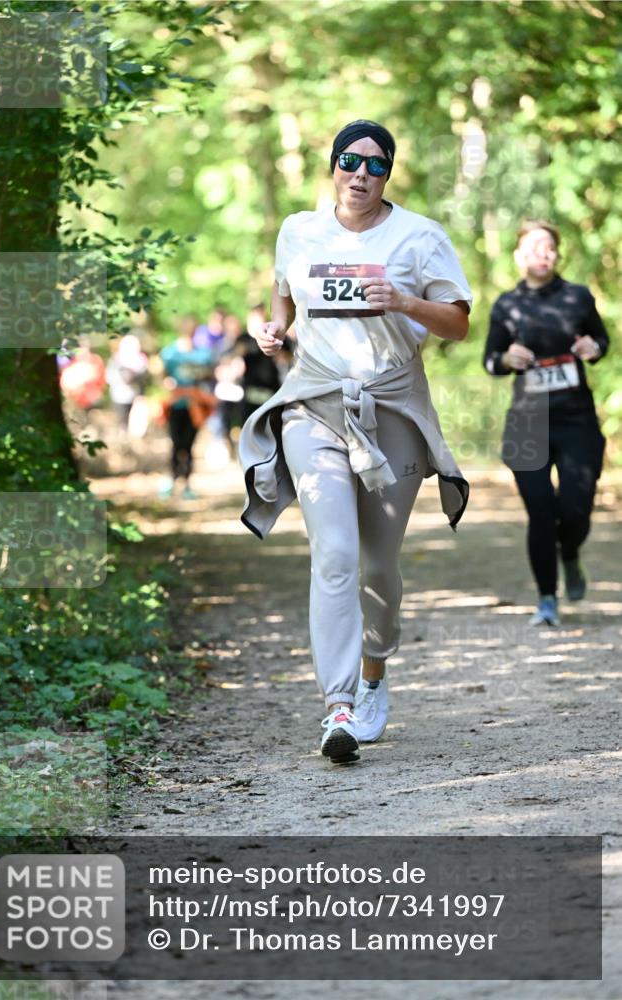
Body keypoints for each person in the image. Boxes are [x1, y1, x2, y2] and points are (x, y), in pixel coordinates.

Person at [238, 120, 472, 763]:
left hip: (390, 407)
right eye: (349, 161)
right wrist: (274, 329)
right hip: (313, 404)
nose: (360, 175)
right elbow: (284, 294)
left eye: (375, 166)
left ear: (388, 174)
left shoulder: (419, 236)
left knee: (377, 568)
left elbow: (457, 323)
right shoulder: (299, 230)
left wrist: (400, 299)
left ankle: (374, 671)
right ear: (332, 165)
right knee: (335, 553)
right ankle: (338, 706)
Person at [483, 220, 609, 627]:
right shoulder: (506, 305)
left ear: (557, 255)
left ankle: (570, 553)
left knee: (575, 510)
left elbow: (600, 341)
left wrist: (594, 347)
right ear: (519, 255)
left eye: (550, 246)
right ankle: (547, 600)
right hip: (527, 423)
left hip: (577, 421)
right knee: (541, 512)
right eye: (535, 246)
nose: (543, 252)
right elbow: (491, 361)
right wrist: (506, 359)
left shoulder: (578, 297)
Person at [159, 315, 215, 500]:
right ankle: (173, 479)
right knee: (176, 443)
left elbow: (209, 375)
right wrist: (167, 383)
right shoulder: (170, 353)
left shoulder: (203, 354)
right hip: (177, 405)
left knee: (189, 444)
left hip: (195, 406)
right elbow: (162, 375)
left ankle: (187, 483)